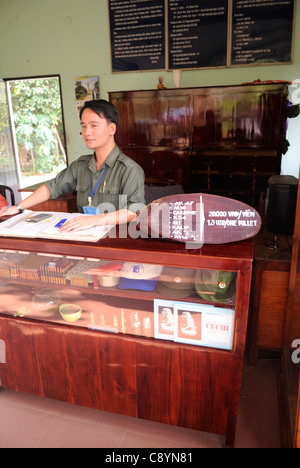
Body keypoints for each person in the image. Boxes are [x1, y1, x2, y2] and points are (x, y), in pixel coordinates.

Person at [0, 99, 145, 232]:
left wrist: (93, 220)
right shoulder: (80, 165)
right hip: (83, 234)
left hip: (116, 238)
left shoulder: (129, 169)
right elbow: (52, 187)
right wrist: (18, 207)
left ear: (112, 129)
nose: (87, 132)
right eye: (84, 126)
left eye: (94, 125)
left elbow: (134, 211)